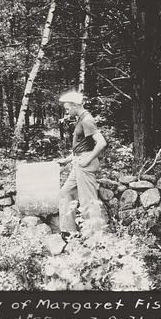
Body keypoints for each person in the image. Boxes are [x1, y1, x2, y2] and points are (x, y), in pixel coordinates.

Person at [55, 91, 107, 233]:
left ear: (75, 105)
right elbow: (82, 145)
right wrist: (67, 160)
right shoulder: (80, 119)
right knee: (65, 193)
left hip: (85, 164)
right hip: (78, 162)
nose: (67, 112)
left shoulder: (87, 120)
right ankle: (69, 233)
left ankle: (95, 239)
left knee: (88, 202)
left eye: (67, 108)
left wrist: (87, 160)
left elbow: (101, 143)